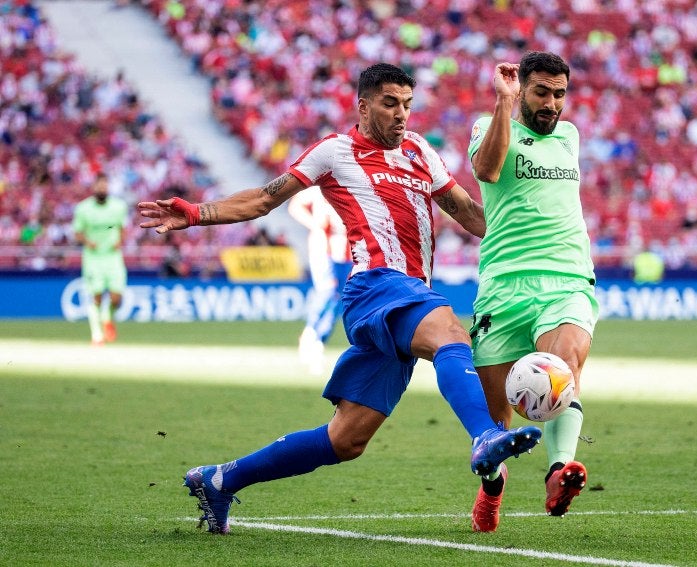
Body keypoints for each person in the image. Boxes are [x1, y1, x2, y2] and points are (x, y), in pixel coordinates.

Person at [138, 63, 542, 534]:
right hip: (375, 285)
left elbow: (470, 215)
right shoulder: (335, 151)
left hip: (408, 297)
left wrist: (535, 238)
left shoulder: (419, 151)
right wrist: (198, 212)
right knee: (452, 333)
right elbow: (265, 199)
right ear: (364, 105)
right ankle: (487, 435)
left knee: (346, 440)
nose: (401, 115)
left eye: (407, 104)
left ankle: (219, 479)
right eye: (390, 103)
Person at [465, 52, 598, 532]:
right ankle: (492, 489)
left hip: (565, 278)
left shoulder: (570, 136)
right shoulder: (488, 125)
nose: (552, 104)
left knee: (564, 366)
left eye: (559, 93)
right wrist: (503, 105)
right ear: (520, 89)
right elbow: (486, 170)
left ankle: (558, 469)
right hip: (503, 285)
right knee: (494, 424)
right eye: (541, 92)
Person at [288, 186, 353, 375]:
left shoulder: (354, 184)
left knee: (339, 297)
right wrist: (313, 223)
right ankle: (310, 333)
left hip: (348, 253)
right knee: (327, 289)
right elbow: (295, 205)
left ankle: (318, 341)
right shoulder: (320, 189)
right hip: (323, 250)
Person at [72, 172, 129, 346]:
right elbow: (78, 233)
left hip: (113, 257)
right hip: (93, 258)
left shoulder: (119, 207)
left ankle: (107, 318)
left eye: (105, 185)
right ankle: (97, 335)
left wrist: (120, 241)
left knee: (116, 297)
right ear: (94, 187)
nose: (102, 188)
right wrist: (88, 242)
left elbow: (122, 228)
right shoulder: (83, 208)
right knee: (95, 296)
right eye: (99, 185)